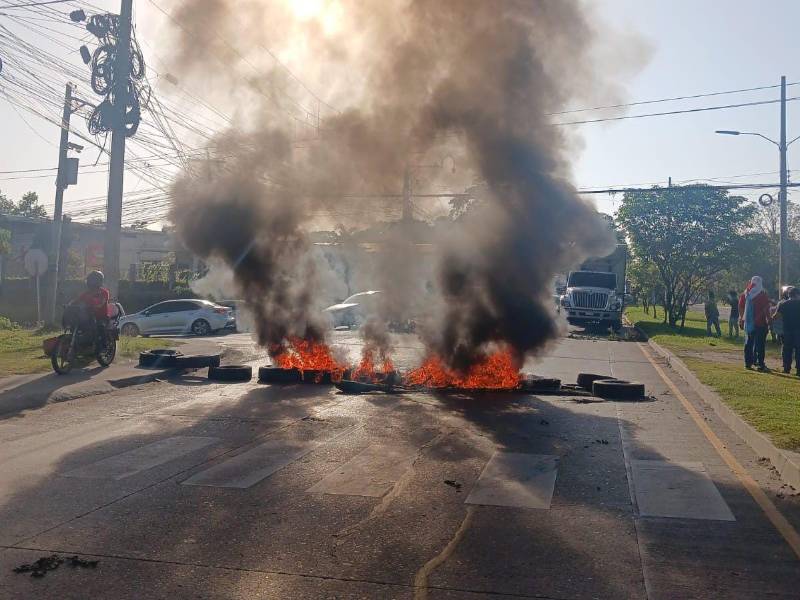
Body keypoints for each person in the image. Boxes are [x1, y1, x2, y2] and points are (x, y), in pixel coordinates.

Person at [738, 276, 771, 371]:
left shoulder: (745, 294)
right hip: (760, 324)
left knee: (748, 343)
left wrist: (741, 319)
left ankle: (747, 363)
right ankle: (760, 364)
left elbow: (740, 307)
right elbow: (766, 309)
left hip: (748, 323)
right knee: (760, 344)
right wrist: (769, 319)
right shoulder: (762, 294)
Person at [74, 270, 111, 344]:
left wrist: (95, 307)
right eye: (90, 280)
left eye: (93, 280)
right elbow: (77, 301)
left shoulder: (104, 292)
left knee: (100, 327)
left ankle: (102, 347)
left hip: (101, 317)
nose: (91, 282)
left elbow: (101, 303)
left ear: (98, 281)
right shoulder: (86, 293)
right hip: (88, 316)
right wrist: (69, 305)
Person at [774, 286, 800, 375]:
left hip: (787, 330)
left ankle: (786, 368)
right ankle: (799, 370)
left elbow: (776, 316)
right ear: (797, 294)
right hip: (798, 330)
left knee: (787, 350)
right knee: (798, 350)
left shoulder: (783, 304)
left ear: (789, 295)